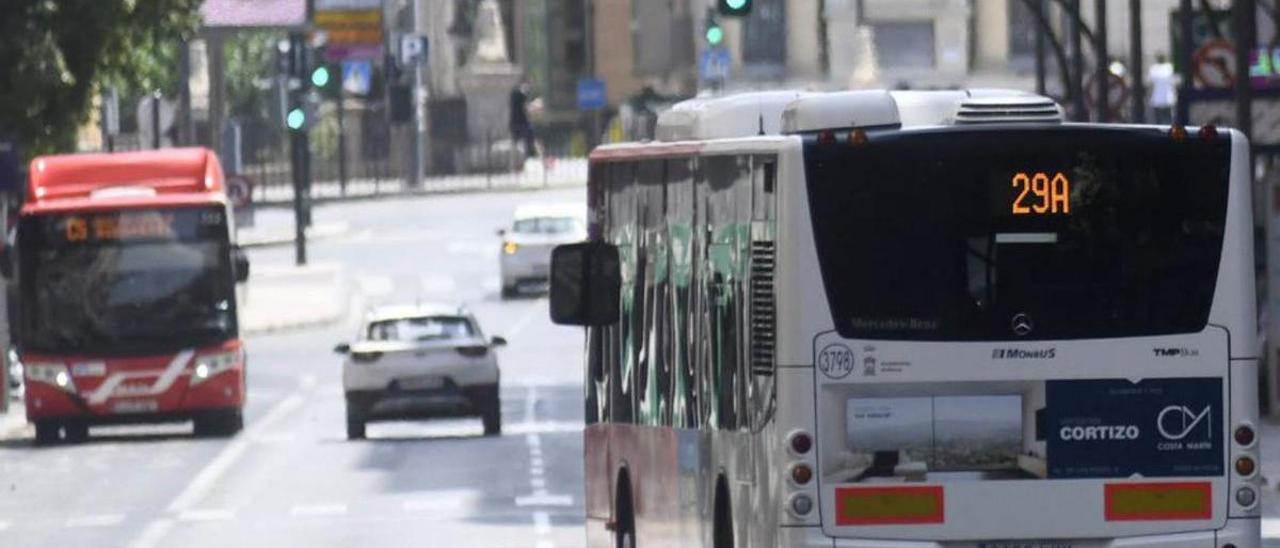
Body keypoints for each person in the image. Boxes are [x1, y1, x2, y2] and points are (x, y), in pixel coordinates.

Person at [509, 81, 538, 158]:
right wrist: (534, 105)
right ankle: (539, 159)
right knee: (532, 139)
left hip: (515, 122)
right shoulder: (520, 96)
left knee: (516, 143)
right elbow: (526, 108)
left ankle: (513, 165)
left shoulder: (514, 95)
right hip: (522, 123)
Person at [1149, 53, 1177, 124]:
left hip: (1158, 99)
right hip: (1167, 99)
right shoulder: (1169, 67)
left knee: (1159, 121)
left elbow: (1150, 83)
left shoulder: (1154, 68)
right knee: (1168, 120)